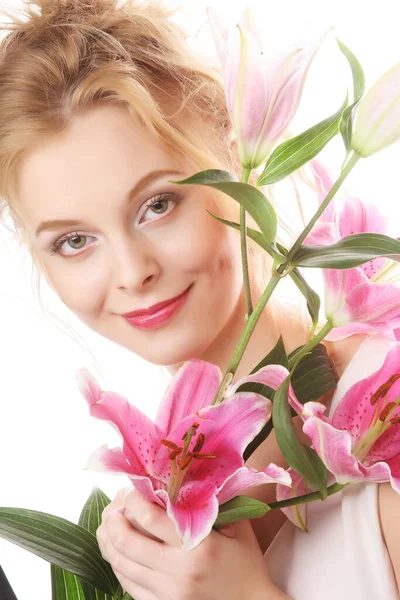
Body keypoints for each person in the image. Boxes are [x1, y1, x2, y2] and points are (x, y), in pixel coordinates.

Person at [0, 1, 399, 598]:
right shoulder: (159, 502)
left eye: (157, 204)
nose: (134, 273)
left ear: (237, 162)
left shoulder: (387, 401)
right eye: (75, 241)